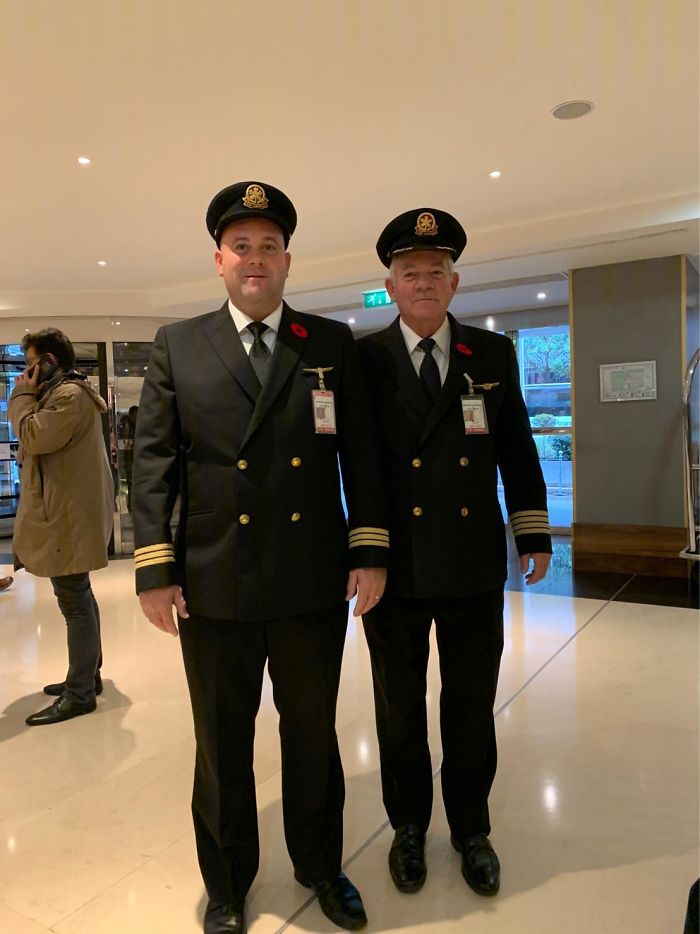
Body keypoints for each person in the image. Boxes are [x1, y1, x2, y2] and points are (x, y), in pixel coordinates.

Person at [132, 181, 389, 934]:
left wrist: (368, 551)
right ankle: (228, 884)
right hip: (214, 582)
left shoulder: (329, 344)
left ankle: (320, 864)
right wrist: (154, 568)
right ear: (219, 260)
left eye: (268, 246)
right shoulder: (178, 344)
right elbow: (152, 464)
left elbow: (362, 458)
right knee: (222, 743)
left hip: (309, 579)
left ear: (287, 260)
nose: (255, 258)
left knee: (312, 736)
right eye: (241, 246)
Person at [357, 208, 552, 898]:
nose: (422, 283)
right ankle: (408, 827)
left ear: (454, 281)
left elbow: (518, 448)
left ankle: (472, 830)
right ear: (391, 283)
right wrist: (364, 552)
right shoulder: (365, 359)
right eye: (408, 273)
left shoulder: (491, 356)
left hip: (471, 563)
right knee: (399, 708)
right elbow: (360, 464)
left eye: (433, 272)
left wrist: (532, 530)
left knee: (469, 707)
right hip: (395, 567)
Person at [8, 329, 113, 725]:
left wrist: (18, 396)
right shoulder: (63, 395)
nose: (26, 372)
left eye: (31, 363)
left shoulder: (68, 397)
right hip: (67, 512)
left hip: (68, 516)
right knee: (79, 595)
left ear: (49, 362)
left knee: (74, 601)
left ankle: (80, 693)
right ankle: (88, 675)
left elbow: (33, 435)